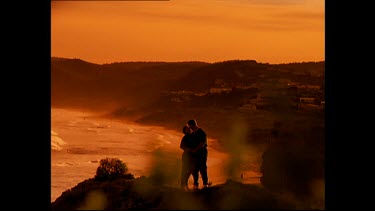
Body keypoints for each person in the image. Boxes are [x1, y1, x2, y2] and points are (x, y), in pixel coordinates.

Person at [187, 119, 211, 189]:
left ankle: (205, 183)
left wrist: (195, 149)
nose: (189, 127)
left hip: (202, 152)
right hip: (196, 153)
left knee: (202, 167)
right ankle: (195, 184)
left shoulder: (201, 132)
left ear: (193, 124)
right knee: (195, 169)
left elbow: (202, 143)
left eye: (189, 126)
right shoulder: (193, 133)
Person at [179, 125, 199, 190]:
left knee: (194, 170)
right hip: (187, 156)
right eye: (187, 129)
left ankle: (195, 184)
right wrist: (188, 149)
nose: (189, 129)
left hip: (193, 155)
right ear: (185, 131)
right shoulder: (185, 138)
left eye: (189, 128)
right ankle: (183, 184)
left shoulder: (194, 135)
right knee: (185, 169)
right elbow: (181, 146)